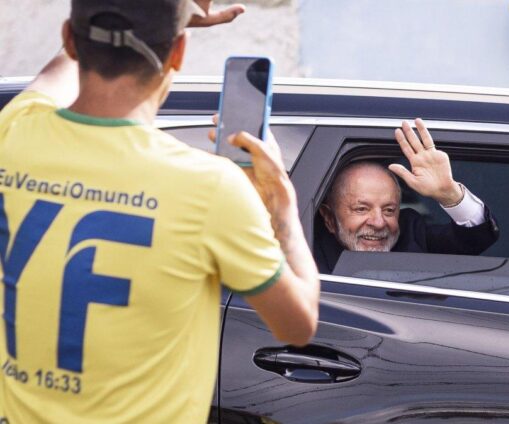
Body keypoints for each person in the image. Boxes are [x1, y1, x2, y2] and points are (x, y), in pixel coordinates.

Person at [0, 1, 319, 423]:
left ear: (68, 38)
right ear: (179, 54)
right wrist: (283, 205)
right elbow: (297, 326)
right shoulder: (210, 186)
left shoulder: (15, 130)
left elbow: (53, 75)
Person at [316, 118, 499, 273]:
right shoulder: (305, 259)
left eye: (389, 210)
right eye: (362, 209)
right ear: (329, 219)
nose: (379, 223)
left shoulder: (412, 234)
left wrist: (449, 195)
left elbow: (476, 239)